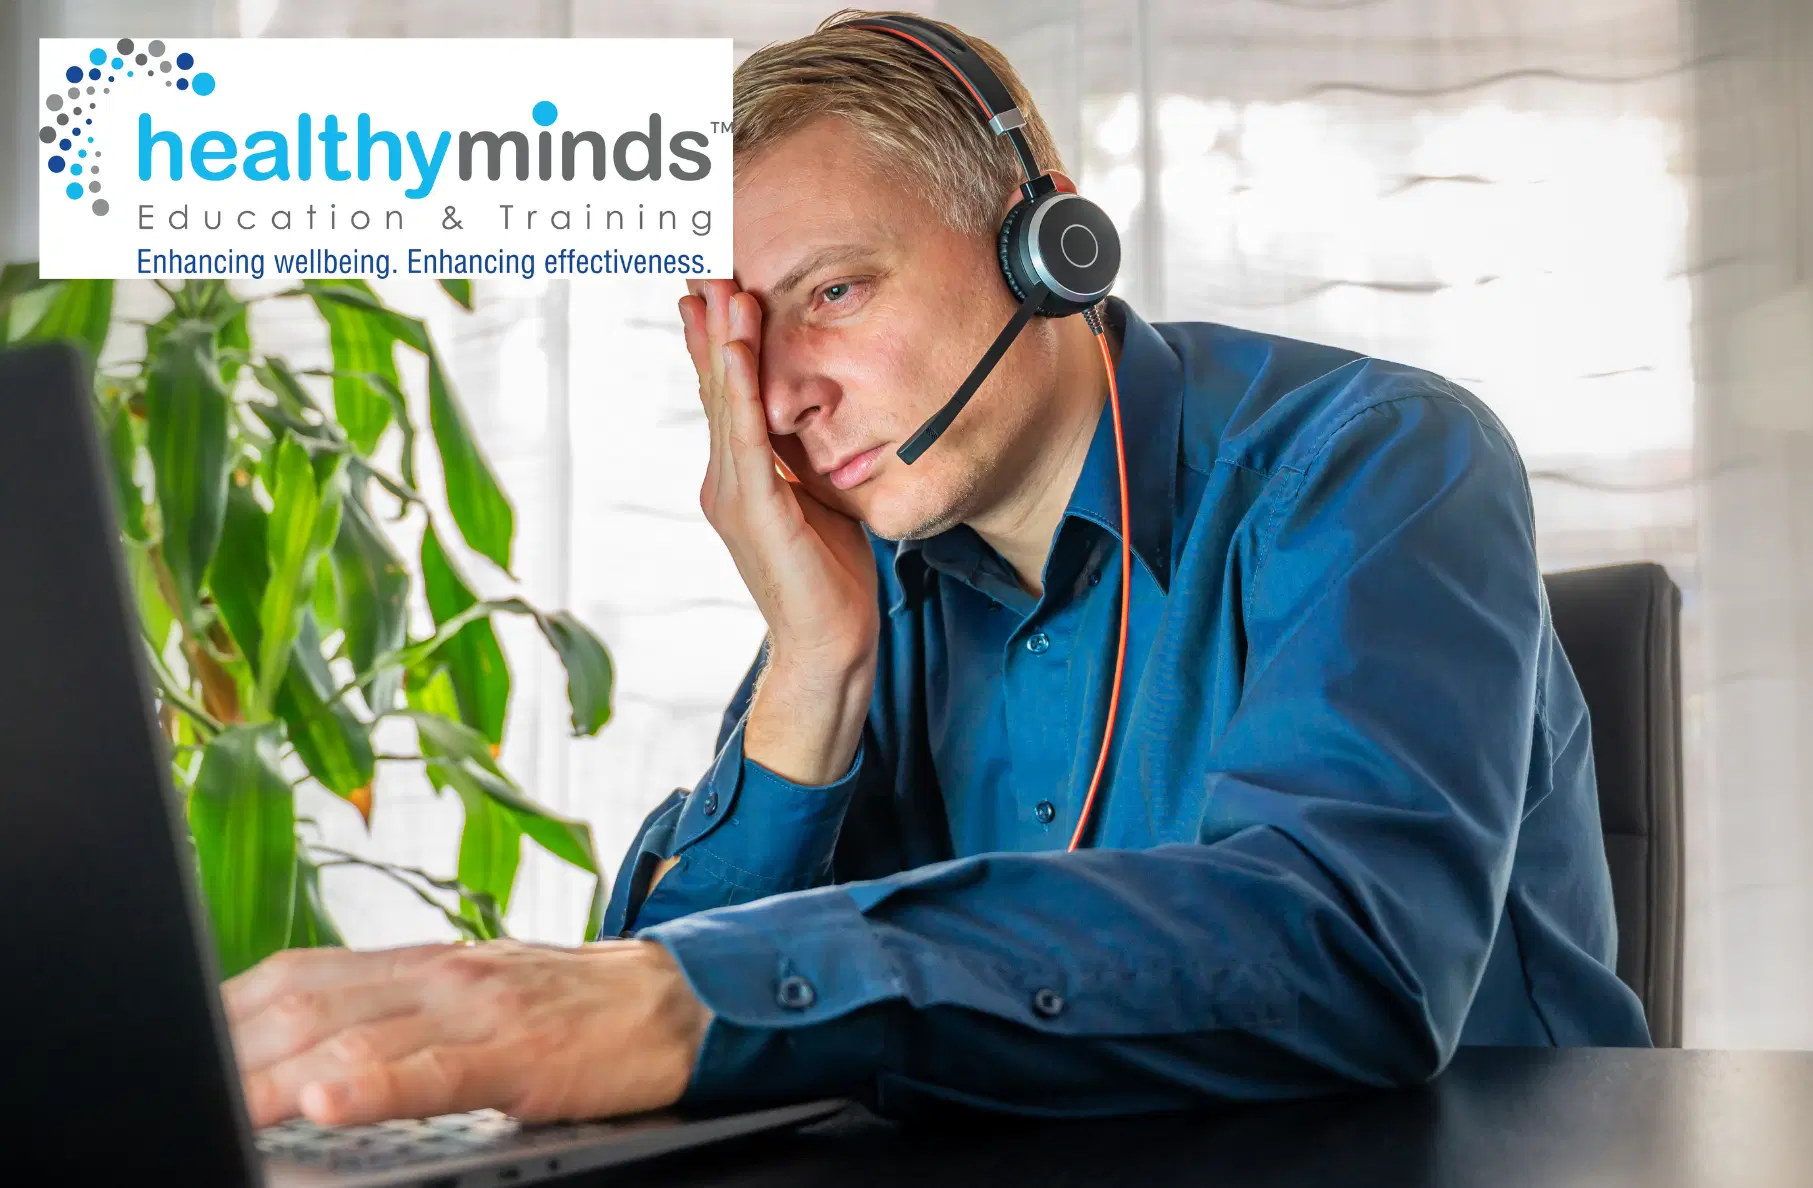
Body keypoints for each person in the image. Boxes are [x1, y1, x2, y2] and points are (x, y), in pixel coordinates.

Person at [224, 9, 1651, 1129]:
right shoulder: (880, 589)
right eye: (743, 342)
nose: (782, 397)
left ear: (1048, 242)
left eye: (833, 293)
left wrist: (695, 1003)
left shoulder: (1374, 463)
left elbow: (1353, 952)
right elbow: (651, 1046)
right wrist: (810, 668)